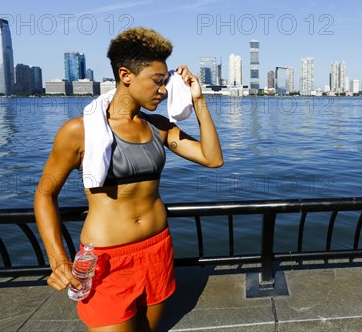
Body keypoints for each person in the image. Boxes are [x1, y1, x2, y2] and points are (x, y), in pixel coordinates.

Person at [34, 27, 223, 331]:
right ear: (126, 75)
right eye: (157, 82)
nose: (163, 91)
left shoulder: (158, 126)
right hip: (107, 262)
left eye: (166, 82)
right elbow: (45, 194)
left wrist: (198, 99)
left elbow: (212, 158)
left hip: (157, 250)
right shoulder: (79, 131)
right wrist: (58, 259)